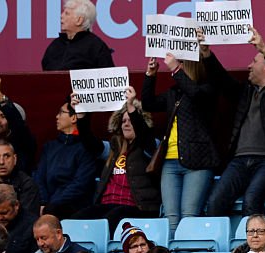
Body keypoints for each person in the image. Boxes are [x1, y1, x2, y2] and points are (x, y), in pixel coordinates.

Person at [202, 29, 265, 219]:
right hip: (239, 161)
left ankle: (261, 246)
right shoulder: (245, 91)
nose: (249, 65)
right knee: (215, 201)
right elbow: (222, 79)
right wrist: (207, 54)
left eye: (255, 61)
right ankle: (221, 248)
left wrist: (264, 50)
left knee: (252, 200)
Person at [143, 52, 219, 233]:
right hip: (169, 162)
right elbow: (148, 104)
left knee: (189, 216)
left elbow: (196, 95)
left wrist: (175, 69)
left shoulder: (207, 89)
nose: (177, 66)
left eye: (181, 63)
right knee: (170, 218)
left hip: (198, 163)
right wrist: (150, 76)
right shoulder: (174, 92)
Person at [72, 90, 161, 231]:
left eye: (131, 120)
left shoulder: (151, 146)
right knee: (76, 219)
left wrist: (131, 107)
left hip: (136, 207)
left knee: (111, 218)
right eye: (123, 121)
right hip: (107, 205)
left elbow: (145, 136)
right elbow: (90, 142)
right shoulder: (113, 149)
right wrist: (81, 114)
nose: (126, 124)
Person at [33, 95, 99, 218]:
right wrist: (43, 202)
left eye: (61, 112)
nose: (57, 117)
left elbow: (80, 184)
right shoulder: (49, 147)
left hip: (72, 208)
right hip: (47, 206)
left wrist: (53, 205)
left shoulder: (86, 149)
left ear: (74, 117)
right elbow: (39, 177)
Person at [41, 0, 113, 70]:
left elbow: (109, 78)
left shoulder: (97, 46)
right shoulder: (55, 45)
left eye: (67, 13)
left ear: (79, 20)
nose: (61, 16)